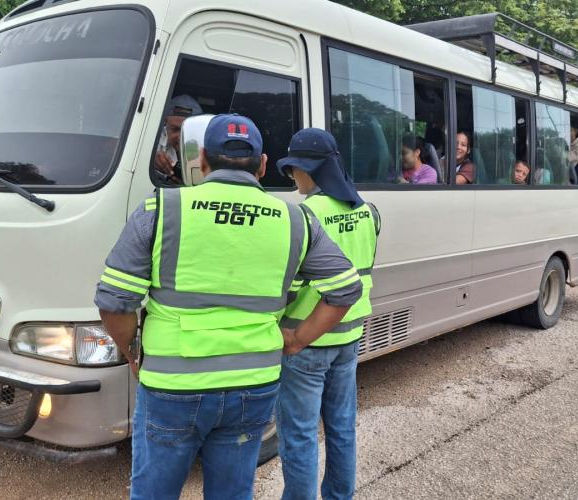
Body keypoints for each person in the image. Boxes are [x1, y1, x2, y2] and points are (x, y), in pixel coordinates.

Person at [95, 114, 362, 500]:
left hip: (173, 384)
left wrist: (132, 352)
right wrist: (298, 339)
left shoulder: (162, 208)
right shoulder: (296, 219)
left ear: (202, 160)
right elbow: (346, 289)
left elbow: (114, 301)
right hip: (253, 386)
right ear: (263, 165)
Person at [275, 128, 381, 500]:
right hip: (350, 337)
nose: (293, 178)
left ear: (309, 169)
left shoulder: (304, 215)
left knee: (300, 434)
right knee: (342, 427)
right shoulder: (368, 211)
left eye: (293, 169)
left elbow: (289, 286)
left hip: (305, 340)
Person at [153, 94, 203, 185]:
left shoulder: (207, 149)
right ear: (165, 124)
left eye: (188, 130)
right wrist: (151, 161)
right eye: (175, 129)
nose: (180, 137)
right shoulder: (151, 141)